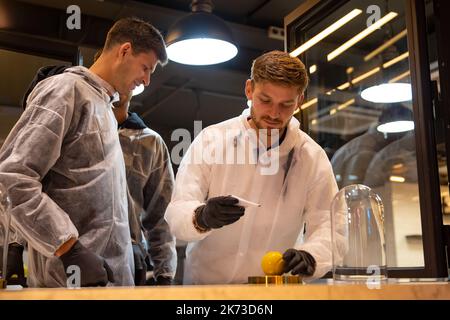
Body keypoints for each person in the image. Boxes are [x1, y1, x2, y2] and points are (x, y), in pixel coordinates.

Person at [0, 17, 168, 287]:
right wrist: (68, 248)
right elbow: (13, 175)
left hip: (109, 283)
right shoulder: (65, 90)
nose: (147, 81)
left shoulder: (104, 106)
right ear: (124, 50)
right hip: (67, 282)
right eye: (145, 68)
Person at [165, 50, 338, 284]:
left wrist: (311, 256)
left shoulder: (312, 158)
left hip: (272, 293)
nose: (274, 114)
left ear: (300, 100)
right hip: (206, 291)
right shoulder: (210, 140)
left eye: (286, 104)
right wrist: (202, 217)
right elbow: (177, 211)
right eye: (265, 100)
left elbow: (331, 225)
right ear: (249, 89)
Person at [112, 91, 177, 285]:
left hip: (128, 267)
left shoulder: (149, 143)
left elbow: (161, 215)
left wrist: (164, 274)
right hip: (67, 262)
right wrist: (16, 244)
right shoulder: (75, 132)